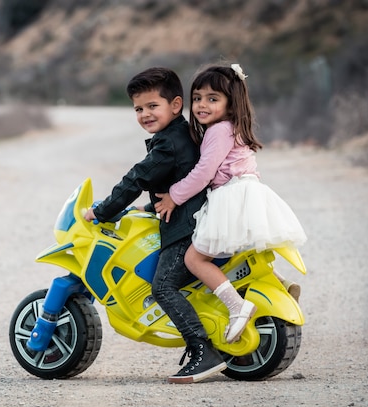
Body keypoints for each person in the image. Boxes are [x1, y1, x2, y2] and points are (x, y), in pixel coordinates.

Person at [83, 67, 227, 384]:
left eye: (152, 106)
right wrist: (148, 207)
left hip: (187, 229)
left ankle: (202, 350)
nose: (145, 114)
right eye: (138, 108)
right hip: (196, 217)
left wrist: (103, 210)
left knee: (162, 286)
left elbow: (137, 177)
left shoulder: (167, 144)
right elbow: (181, 178)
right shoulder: (180, 135)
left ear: (175, 105)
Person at [154, 63, 307, 344]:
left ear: (231, 103)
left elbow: (204, 172)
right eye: (198, 98)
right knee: (243, 252)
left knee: (195, 258)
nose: (202, 105)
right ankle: (280, 285)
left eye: (213, 99)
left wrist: (174, 196)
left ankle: (237, 307)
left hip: (230, 196)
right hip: (249, 191)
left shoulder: (218, 131)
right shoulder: (232, 127)